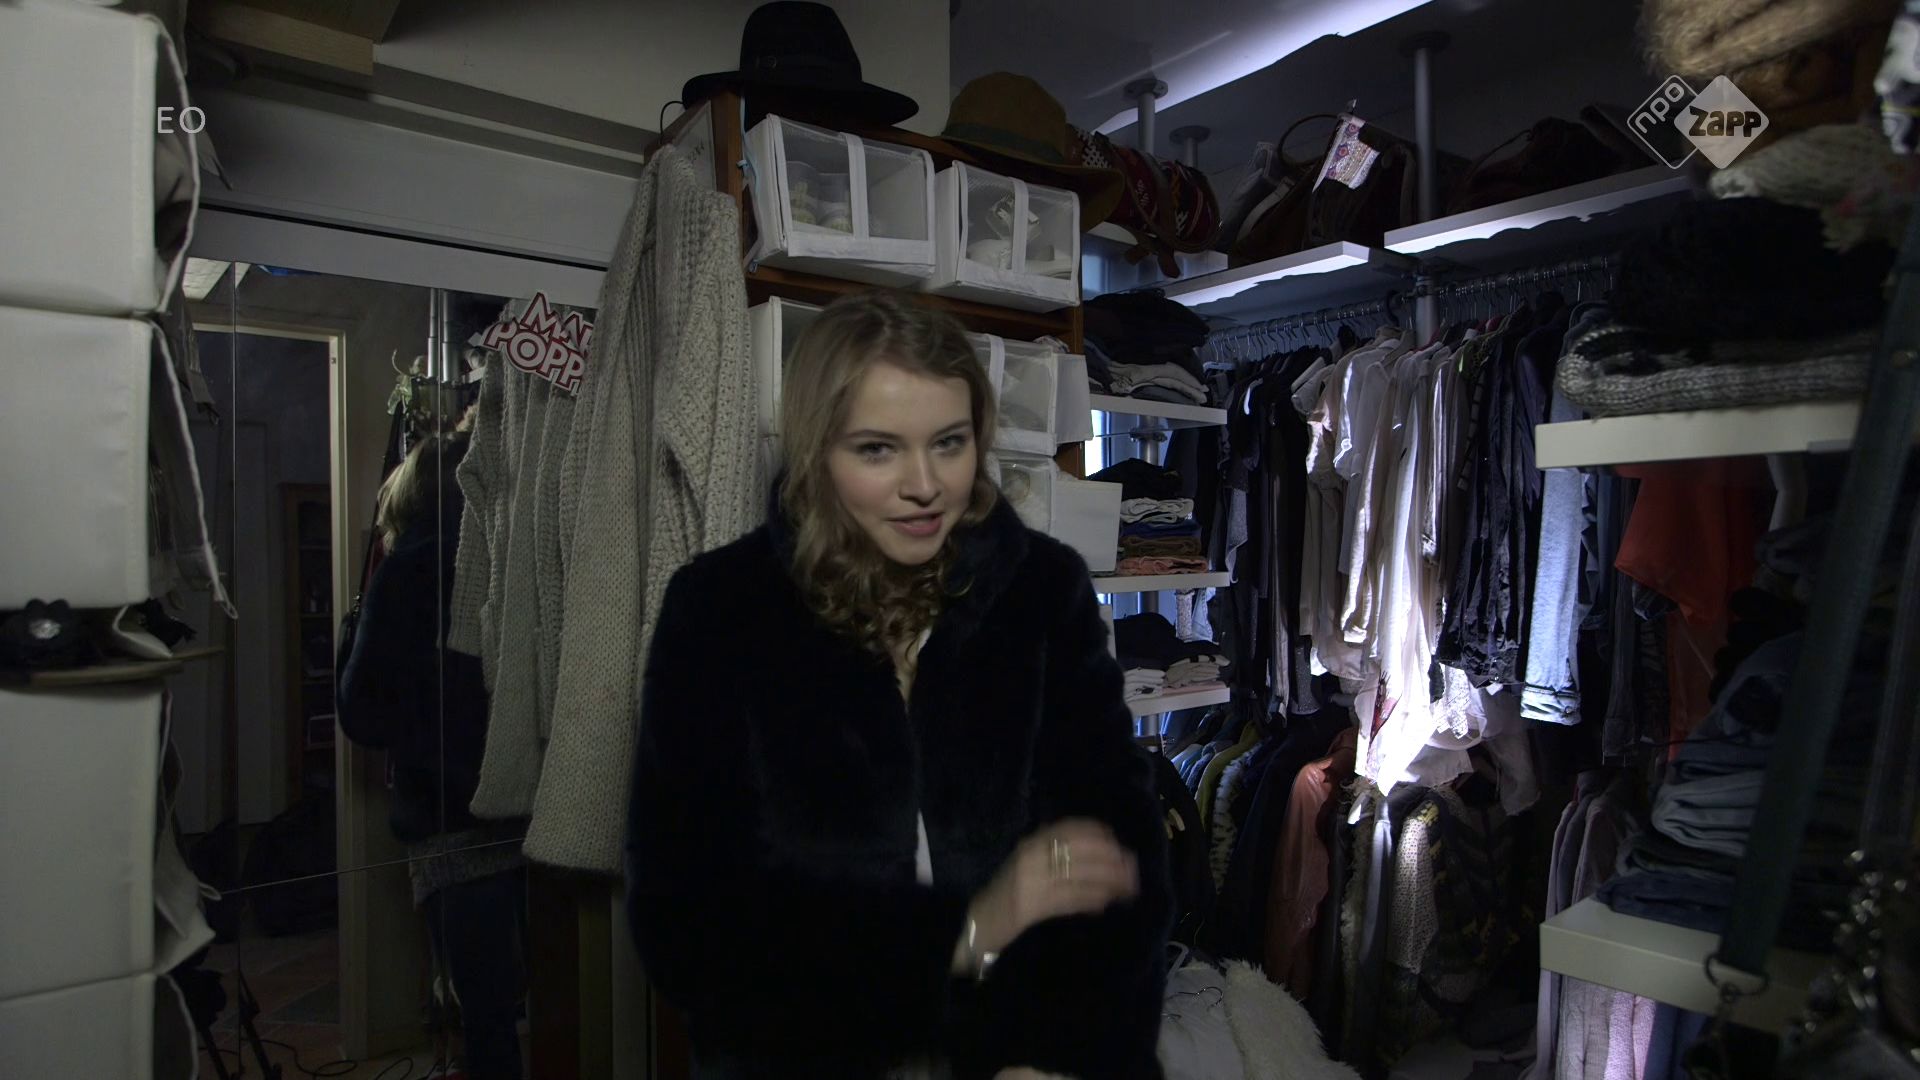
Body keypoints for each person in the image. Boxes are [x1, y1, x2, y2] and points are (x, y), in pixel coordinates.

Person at [625, 291, 1174, 1078]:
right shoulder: (720, 611)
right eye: (878, 449)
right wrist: (970, 933)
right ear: (817, 452)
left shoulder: (1041, 593)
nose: (926, 485)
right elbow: (689, 924)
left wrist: (1059, 1056)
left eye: (949, 442)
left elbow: (1121, 864)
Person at [338, 431, 527, 1080]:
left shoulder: (406, 572)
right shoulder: (512, 553)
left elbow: (362, 711)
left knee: (482, 1014)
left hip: (449, 822)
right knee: (542, 1000)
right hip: (526, 810)